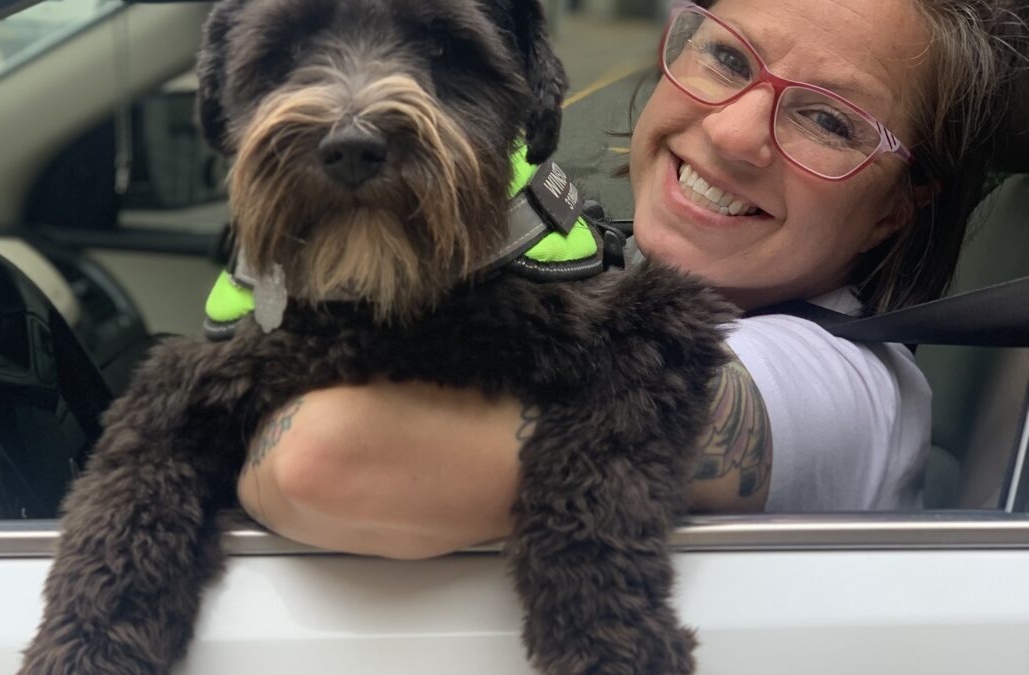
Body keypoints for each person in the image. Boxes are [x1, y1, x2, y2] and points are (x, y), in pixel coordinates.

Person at [235, 0, 1028, 559]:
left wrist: (206, 421)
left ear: (896, 208)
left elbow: (323, 463)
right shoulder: (597, 268)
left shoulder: (840, 390)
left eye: (828, 120)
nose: (731, 130)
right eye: (726, 57)